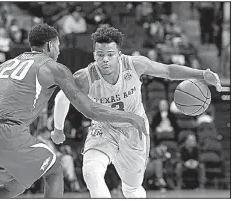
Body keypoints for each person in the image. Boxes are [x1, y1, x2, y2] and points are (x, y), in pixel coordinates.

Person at [0, 23, 146, 199]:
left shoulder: (10, 63)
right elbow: (90, 110)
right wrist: (127, 116)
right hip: (6, 134)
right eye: (58, 45)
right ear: (49, 45)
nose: (59, 50)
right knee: (54, 169)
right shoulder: (54, 68)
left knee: (17, 185)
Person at [52, 26, 222, 198]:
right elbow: (61, 97)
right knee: (91, 171)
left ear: (119, 53)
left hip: (135, 129)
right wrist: (58, 130)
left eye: (110, 54)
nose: (104, 60)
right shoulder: (85, 77)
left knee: (132, 189)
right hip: (104, 128)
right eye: (99, 54)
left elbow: (168, 71)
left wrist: (201, 74)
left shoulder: (134, 64)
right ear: (94, 54)